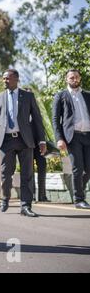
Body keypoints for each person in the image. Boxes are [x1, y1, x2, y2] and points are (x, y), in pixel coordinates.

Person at [0, 69, 47, 217]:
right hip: (6, 140)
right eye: (3, 78)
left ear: (16, 79)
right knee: (6, 173)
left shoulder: (28, 96)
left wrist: (42, 140)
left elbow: (37, 120)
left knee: (27, 174)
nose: (4, 81)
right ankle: (5, 197)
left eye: (7, 78)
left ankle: (25, 206)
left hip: (24, 139)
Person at [52, 69, 90, 209]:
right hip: (73, 137)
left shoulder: (87, 95)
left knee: (88, 169)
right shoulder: (61, 96)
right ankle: (79, 199)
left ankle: (79, 188)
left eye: (77, 77)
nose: (74, 79)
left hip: (88, 135)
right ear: (66, 79)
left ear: (80, 79)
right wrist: (59, 138)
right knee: (77, 168)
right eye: (71, 77)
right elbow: (56, 119)